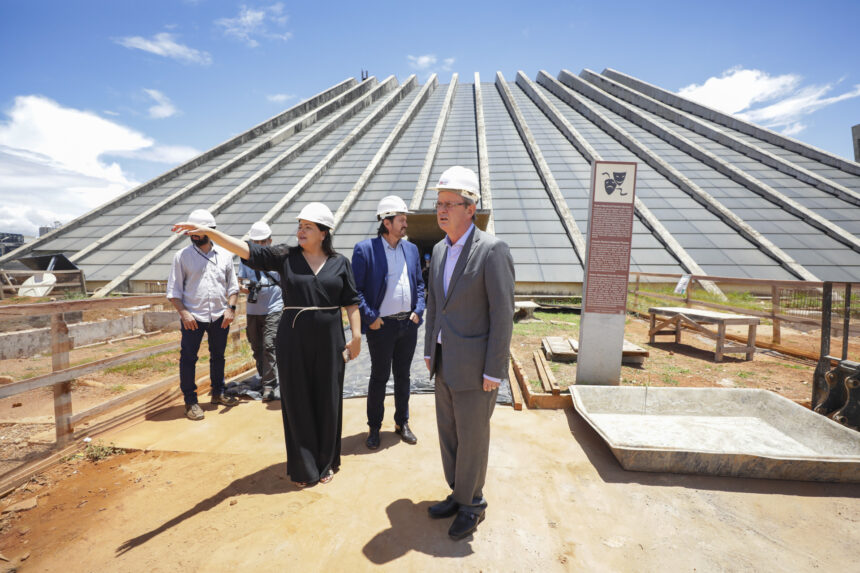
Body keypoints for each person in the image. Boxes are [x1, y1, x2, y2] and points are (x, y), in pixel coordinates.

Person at [172, 203, 362, 488]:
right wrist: (212, 232)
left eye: (308, 227)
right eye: (299, 225)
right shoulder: (286, 256)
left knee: (327, 399)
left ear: (324, 232)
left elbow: (351, 301)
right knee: (297, 402)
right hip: (293, 339)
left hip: (330, 341)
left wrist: (356, 337)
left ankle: (326, 461)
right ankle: (304, 466)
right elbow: (247, 250)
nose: (300, 231)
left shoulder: (339, 263)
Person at [422, 166, 515, 540]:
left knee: (473, 436)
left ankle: (473, 503)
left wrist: (495, 369)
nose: (441, 210)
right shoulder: (439, 249)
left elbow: (502, 314)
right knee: (449, 432)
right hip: (444, 360)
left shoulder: (492, 250)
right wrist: (430, 348)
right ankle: (458, 495)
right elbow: (435, 305)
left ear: (470, 208)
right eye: (439, 203)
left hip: (478, 368)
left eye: (450, 203)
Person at [352, 195, 425, 450]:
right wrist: (370, 318)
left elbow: (419, 283)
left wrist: (418, 311)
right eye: (401, 220)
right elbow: (356, 290)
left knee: (404, 376)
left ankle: (401, 422)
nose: (405, 224)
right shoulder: (365, 250)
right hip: (381, 328)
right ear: (386, 222)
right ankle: (374, 426)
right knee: (379, 376)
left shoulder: (411, 249)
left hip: (408, 325)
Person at [166, 208, 241, 421]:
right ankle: (190, 402)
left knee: (219, 356)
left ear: (210, 231)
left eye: (197, 232)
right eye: (191, 232)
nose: (194, 236)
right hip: (194, 317)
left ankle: (218, 392)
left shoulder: (225, 256)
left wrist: (231, 308)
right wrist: (184, 313)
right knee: (188, 358)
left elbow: (233, 287)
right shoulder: (182, 257)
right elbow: (174, 291)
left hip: (219, 316)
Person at [237, 221, 283, 402]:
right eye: (256, 242)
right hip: (253, 309)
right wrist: (246, 288)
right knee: (256, 346)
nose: (260, 245)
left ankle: (269, 385)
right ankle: (265, 376)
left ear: (270, 241)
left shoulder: (278, 258)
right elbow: (240, 282)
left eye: (263, 242)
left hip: (274, 307)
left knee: (269, 344)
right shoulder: (245, 259)